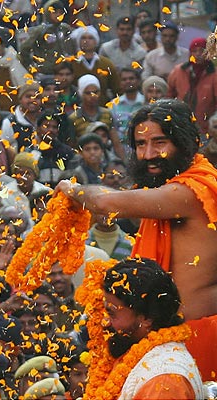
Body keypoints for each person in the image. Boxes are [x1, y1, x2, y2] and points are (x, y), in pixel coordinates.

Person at [56, 99, 217, 381]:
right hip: (163, 341)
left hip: (196, 339)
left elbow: (108, 203)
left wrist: (72, 189)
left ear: (186, 142)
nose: (148, 154)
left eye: (159, 142)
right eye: (141, 144)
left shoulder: (191, 191)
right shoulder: (166, 190)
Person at [99, 258, 204, 398]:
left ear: (147, 318)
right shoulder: (139, 353)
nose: (105, 322)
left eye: (112, 313)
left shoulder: (163, 382)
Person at [167, 38, 217, 135]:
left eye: (202, 50)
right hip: (180, 124)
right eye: (194, 51)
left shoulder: (214, 74)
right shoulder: (179, 70)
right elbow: (169, 94)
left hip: (205, 127)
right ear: (190, 53)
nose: (198, 54)